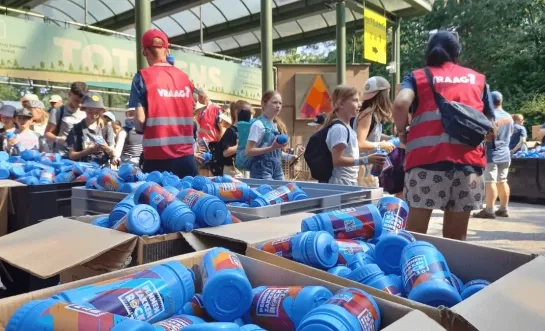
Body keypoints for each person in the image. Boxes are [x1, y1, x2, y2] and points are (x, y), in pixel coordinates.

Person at [392, 31, 496, 241]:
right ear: (457, 56)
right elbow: (492, 130)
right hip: (468, 166)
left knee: (415, 236)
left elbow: (401, 103)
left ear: (428, 54)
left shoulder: (417, 76)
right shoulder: (478, 79)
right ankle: (447, 272)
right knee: (456, 239)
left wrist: (402, 132)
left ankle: (417, 269)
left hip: (425, 163)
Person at [128, 29, 196, 178]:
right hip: (186, 159)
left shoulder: (142, 77)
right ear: (168, 50)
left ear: (144, 51)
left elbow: (139, 121)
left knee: (157, 200)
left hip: (157, 161)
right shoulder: (185, 78)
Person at [324, 85, 386, 185]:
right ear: (341, 104)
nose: (360, 104)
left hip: (348, 182)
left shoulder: (348, 128)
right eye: (355, 100)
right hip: (340, 183)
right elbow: (337, 160)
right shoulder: (340, 129)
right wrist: (366, 159)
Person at [473, 91, 513, 219]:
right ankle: (503, 209)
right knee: (502, 181)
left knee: (490, 182)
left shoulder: (489, 117)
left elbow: (485, 136)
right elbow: (510, 134)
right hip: (505, 153)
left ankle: (489, 210)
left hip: (492, 154)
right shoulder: (509, 117)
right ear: (501, 101)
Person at [353, 76, 396, 187]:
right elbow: (360, 143)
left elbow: (371, 135)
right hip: (363, 170)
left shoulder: (371, 114)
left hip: (368, 166)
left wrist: (389, 139)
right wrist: (380, 145)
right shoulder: (368, 115)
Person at [245, 91, 292, 180]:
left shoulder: (274, 125)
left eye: (280, 103)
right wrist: (272, 148)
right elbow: (249, 151)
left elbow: (274, 153)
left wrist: (289, 157)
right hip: (261, 169)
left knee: (281, 192)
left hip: (277, 168)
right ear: (264, 103)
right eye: (274, 102)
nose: (278, 105)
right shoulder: (258, 125)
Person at [65, 92, 115, 166]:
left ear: (101, 111)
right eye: (90, 111)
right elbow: (71, 155)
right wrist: (87, 151)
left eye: (97, 112)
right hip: (82, 169)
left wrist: (105, 147)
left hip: (103, 170)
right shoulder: (76, 129)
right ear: (84, 109)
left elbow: (112, 152)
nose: (94, 115)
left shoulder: (106, 128)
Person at [45, 82, 88, 155]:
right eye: (76, 101)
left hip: (79, 155)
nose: (79, 104)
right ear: (69, 94)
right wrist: (59, 139)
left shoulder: (87, 113)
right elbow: (47, 134)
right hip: (62, 155)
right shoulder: (57, 111)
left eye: (82, 101)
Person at [195, 88, 224, 176]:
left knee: (212, 171)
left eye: (198, 98)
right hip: (201, 144)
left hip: (213, 145)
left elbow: (222, 128)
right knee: (202, 168)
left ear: (202, 97)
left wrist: (220, 145)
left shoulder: (216, 109)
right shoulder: (199, 110)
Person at [219, 101, 252, 177]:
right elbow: (225, 153)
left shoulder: (248, 131)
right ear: (237, 112)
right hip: (232, 171)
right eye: (246, 113)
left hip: (244, 168)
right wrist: (241, 144)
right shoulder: (231, 131)